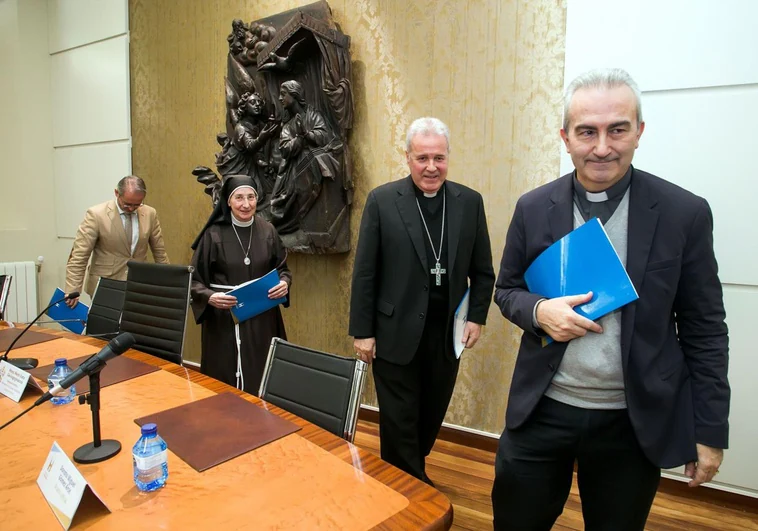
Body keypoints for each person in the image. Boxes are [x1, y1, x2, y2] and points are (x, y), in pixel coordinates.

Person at [491, 68, 730, 530]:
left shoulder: (684, 214)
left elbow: (705, 331)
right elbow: (507, 291)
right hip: (543, 409)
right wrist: (540, 312)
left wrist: (709, 431)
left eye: (617, 129)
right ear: (566, 138)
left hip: (633, 421)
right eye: (587, 132)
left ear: (639, 132)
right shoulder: (534, 208)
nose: (602, 146)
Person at [349, 117, 495, 485]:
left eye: (439, 158)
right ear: (408, 158)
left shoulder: (469, 202)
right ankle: (410, 493)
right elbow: (365, 273)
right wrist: (362, 332)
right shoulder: (382, 201)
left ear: (448, 158)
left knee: (430, 415)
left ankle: (408, 473)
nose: (432, 167)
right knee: (399, 419)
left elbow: (483, 271)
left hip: (447, 334)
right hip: (394, 331)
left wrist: (476, 316)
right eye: (423, 158)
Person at [190, 175, 291, 395]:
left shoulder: (268, 231)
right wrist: (209, 296)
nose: (246, 204)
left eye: (251, 197)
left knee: (261, 373)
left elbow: (283, 269)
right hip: (223, 318)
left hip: (262, 319)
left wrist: (284, 283)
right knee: (225, 379)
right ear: (228, 201)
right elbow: (194, 280)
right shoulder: (213, 234)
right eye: (239, 198)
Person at [64, 175, 169, 307]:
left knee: (134, 326)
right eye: (127, 204)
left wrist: (169, 284)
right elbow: (80, 255)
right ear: (116, 193)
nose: (131, 208)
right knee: (107, 327)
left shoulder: (150, 213)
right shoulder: (96, 214)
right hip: (106, 284)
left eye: (137, 204)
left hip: (137, 284)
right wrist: (73, 289)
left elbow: (159, 251)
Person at [269, 80, 340, 233]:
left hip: (313, 160)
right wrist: (300, 138)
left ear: (294, 95)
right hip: (292, 167)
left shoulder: (313, 115)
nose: (280, 98)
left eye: (283, 95)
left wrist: (307, 134)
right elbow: (285, 149)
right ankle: (289, 219)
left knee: (305, 174)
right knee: (292, 189)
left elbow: (324, 136)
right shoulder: (288, 125)